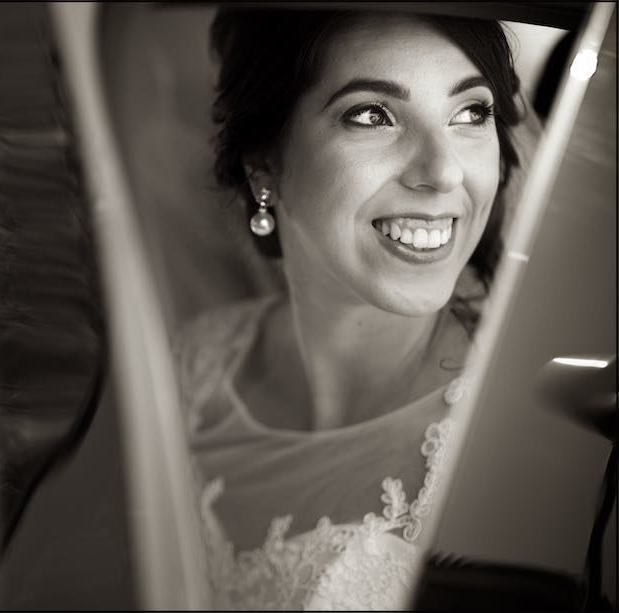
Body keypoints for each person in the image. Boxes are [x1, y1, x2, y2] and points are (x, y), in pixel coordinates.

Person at [173, 7, 534, 610]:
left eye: (471, 113)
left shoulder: (530, 442)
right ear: (264, 161)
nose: (443, 173)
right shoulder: (189, 367)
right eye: (373, 115)